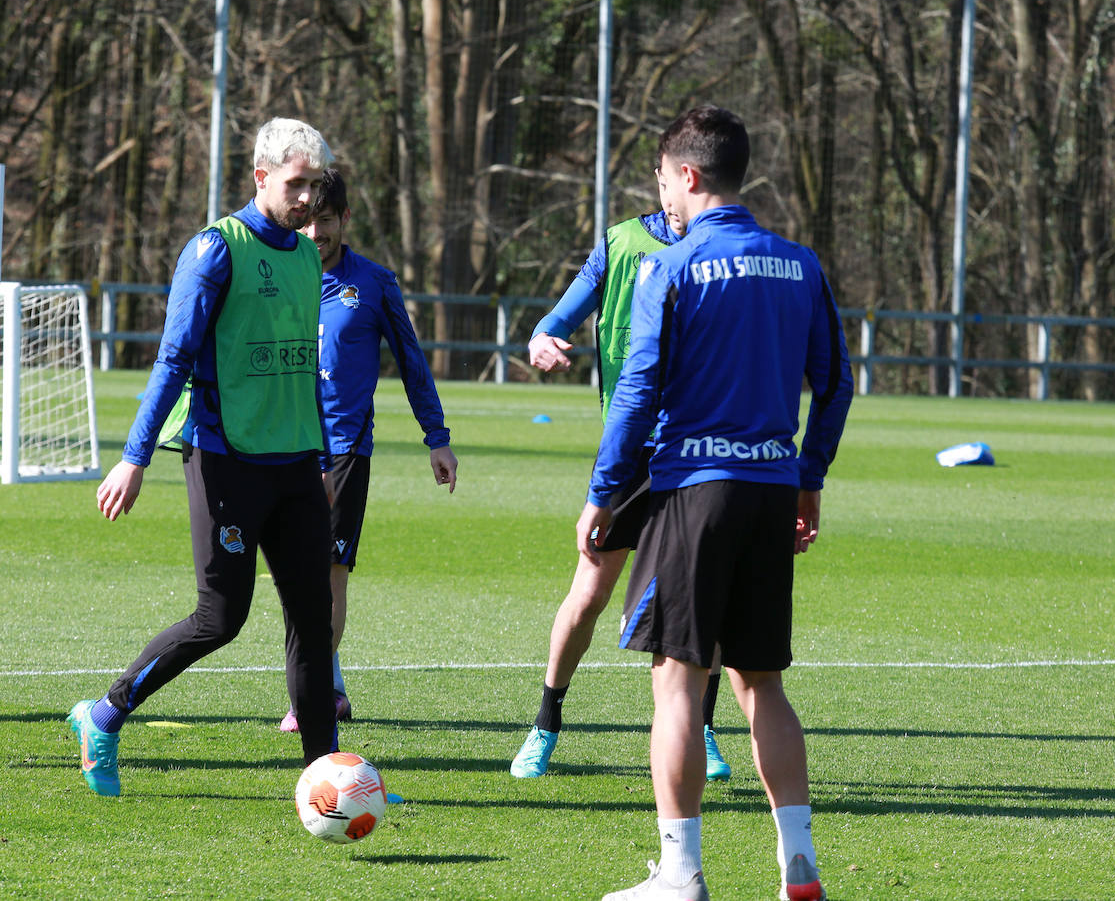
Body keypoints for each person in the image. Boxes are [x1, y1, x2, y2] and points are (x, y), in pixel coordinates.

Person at [584, 105, 852, 901]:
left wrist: (603, 492)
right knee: (762, 682)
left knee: (677, 682)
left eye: (662, 178)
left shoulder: (672, 266)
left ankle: (681, 872)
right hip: (772, 494)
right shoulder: (800, 264)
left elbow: (636, 391)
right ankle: (797, 861)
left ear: (689, 176)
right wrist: (810, 478)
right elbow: (834, 385)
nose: (659, 193)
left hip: (692, 496)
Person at [71, 118, 341, 796]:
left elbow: (304, 367)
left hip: (295, 466)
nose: (308, 197)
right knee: (221, 617)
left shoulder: (309, 257)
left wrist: (323, 459)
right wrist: (134, 458)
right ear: (261, 177)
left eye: (316, 184)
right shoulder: (216, 250)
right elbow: (173, 359)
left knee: (313, 622)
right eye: (296, 183)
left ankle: (328, 780)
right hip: (225, 460)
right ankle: (105, 715)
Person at [510, 179, 733, 782]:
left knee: (700, 600)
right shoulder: (622, 244)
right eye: (665, 180)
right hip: (630, 454)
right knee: (589, 596)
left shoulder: (725, 253)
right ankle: (546, 721)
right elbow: (558, 317)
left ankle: (704, 731)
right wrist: (543, 339)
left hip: (698, 453)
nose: (674, 194)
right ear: (663, 180)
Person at [277, 168, 458, 733]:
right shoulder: (274, 274)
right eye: (305, 221)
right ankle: (326, 685)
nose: (314, 233)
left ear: (344, 220)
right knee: (290, 576)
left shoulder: (374, 283)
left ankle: (314, 696)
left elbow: (411, 361)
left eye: (325, 221)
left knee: (329, 572)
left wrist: (438, 438)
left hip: (344, 448)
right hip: (281, 444)